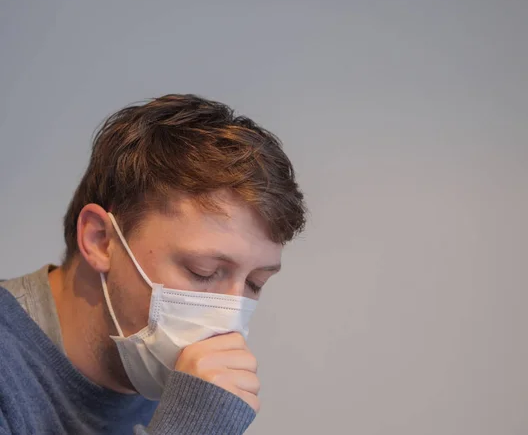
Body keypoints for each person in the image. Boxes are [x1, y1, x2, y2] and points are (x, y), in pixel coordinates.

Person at [0, 94, 306, 434]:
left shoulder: (178, 376)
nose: (229, 318)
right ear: (101, 240)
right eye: (202, 271)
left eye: (255, 284)